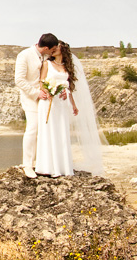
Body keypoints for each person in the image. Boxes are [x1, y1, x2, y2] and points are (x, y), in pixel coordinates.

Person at [34, 41, 105, 177]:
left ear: (63, 49)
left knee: (62, 133)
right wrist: (49, 91)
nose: (54, 48)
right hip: (49, 102)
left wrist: (73, 105)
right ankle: (47, 167)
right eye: (54, 47)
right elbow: (41, 82)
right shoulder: (47, 64)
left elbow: (68, 88)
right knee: (48, 132)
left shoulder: (66, 67)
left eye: (57, 46)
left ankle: (63, 167)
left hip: (62, 104)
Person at [14, 33, 58, 178]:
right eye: (52, 50)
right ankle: (27, 165)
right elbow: (19, 80)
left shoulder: (46, 57)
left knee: (44, 131)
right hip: (30, 98)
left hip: (45, 99)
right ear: (46, 48)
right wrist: (36, 93)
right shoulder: (24, 55)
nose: (53, 52)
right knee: (32, 129)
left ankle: (42, 163)